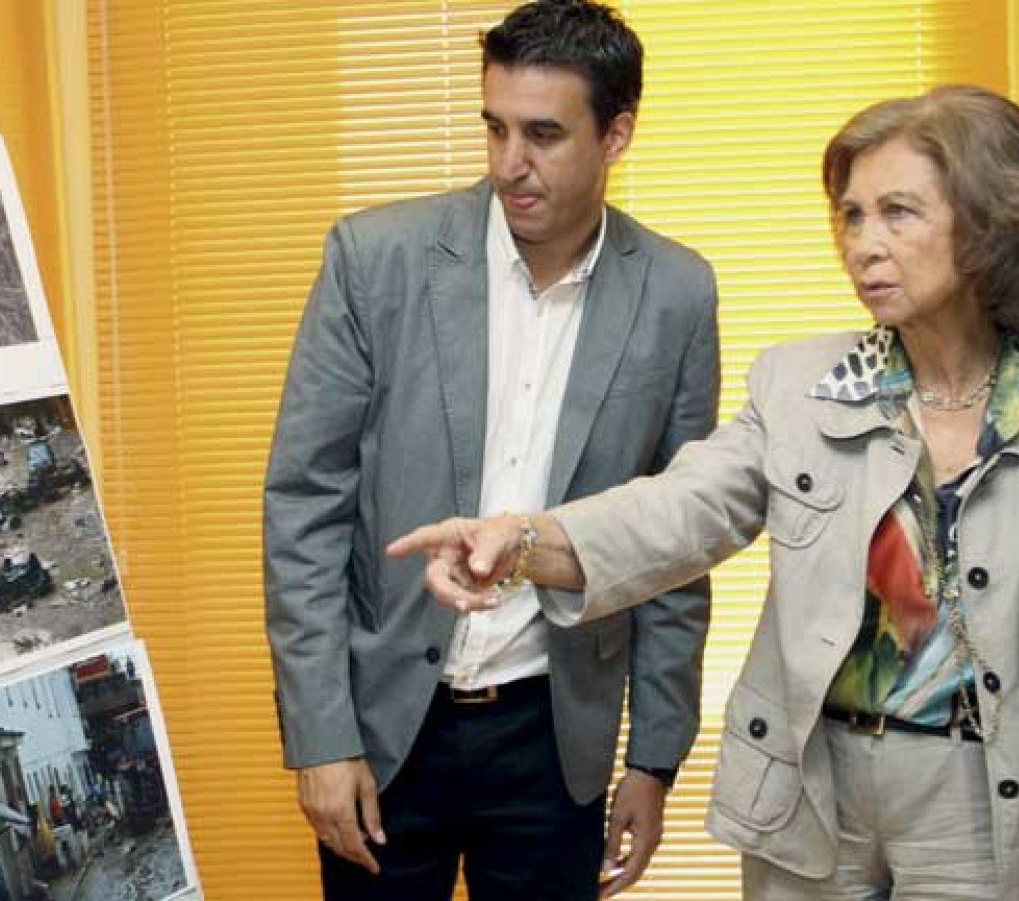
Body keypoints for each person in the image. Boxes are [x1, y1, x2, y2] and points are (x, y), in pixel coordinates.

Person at [389, 84, 1019, 901]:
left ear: (989, 222)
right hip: (813, 799)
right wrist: (524, 539)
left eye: (899, 212)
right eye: (852, 215)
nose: (864, 243)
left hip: (984, 812)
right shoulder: (801, 386)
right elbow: (681, 508)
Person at [262, 1, 720, 897]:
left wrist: (655, 758)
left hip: (557, 743)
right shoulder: (375, 259)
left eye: (545, 134)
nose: (511, 163)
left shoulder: (675, 294)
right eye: (496, 127)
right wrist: (321, 738)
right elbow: (305, 506)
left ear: (616, 134)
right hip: (388, 731)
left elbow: (676, 541)